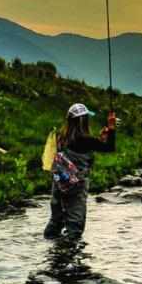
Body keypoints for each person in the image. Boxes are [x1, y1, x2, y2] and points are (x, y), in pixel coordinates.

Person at [43, 103, 116, 240]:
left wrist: (100, 139)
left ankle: (52, 252)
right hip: (77, 186)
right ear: (84, 121)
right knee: (75, 227)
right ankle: (70, 255)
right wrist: (111, 128)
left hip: (59, 184)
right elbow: (109, 148)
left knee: (55, 221)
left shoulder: (60, 137)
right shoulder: (87, 140)